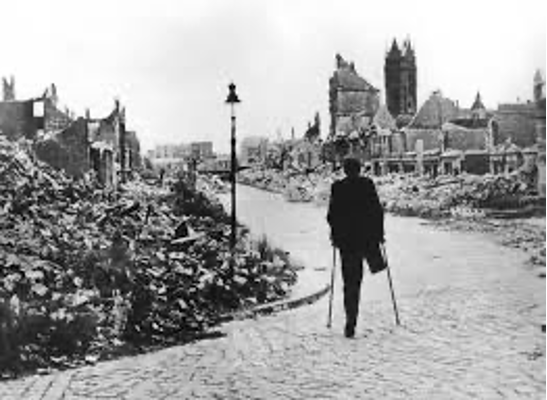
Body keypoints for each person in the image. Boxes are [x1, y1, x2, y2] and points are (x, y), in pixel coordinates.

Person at [327, 157, 385, 338]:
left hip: (347, 242)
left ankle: (350, 321)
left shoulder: (338, 187)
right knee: (362, 276)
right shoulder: (367, 185)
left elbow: (332, 215)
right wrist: (379, 234)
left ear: (344, 170)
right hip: (365, 240)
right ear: (359, 169)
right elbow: (377, 211)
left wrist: (335, 235)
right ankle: (352, 320)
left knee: (350, 283)